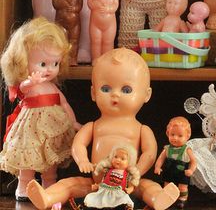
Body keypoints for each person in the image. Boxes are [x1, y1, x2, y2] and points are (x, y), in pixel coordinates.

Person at [26, 48, 180, 210]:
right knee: (69, 184)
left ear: (146, 95)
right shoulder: (94, 126)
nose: (115, 95)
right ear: (93, 93)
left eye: (126, 90)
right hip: (97, 184)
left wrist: (137, 171)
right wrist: (83, 160)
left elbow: (149, 153)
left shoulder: (141, 129)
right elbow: (78, 144)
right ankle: (47, 197)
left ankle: (158, 198)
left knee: (148, 187)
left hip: (128, 184)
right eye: (106, 89)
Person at [0, 17, 79, 200]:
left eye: (55, 64)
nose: (49, 70)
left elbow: (64, 103)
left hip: (53, 128)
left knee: (51, 157)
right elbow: (21, 89)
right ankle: (23, 186)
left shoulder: (53, 87)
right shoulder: (32, 85)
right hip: (30, 128)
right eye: (43, 64)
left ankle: (49, 186)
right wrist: (30, 81)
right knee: (28, 157)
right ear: (21, 62)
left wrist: (72, 121)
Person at [154, 117, 196, 208]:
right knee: (167, 186)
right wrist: (157, 167)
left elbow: (194, 161)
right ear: (167, 133)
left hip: (182, 171)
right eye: (172, 135)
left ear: (187, 136)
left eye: (180, 136)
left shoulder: (187, 150)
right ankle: (167, 200)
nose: (175, 138)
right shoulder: (167, 149)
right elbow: (161, 159)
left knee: (182, 187)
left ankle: (182, 199)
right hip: (169, 170)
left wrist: (191, 170)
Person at [83, 144, 140, 209]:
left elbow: (131, 184)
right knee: (94, 198)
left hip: (118, 193)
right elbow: (104, 181)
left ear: (129, 162)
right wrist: (97, 186)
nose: (118, 160)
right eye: (115, 157)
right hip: (105, 191)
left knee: (123, 199)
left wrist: (130, 188)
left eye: (122, 159)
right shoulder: (108, 170)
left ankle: (123, 207)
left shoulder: (127, 174)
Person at [87, 0, 119, 64]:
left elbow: (115, 6)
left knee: (108, 41)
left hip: (109, 25)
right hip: (95, 25)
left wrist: (109, 9)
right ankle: (96, 58)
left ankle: (107, 58)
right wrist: (95, 5)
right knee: (95, 41)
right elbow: (90, 4)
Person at [52, 0, 83, 66]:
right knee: (61, 41)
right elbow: (55, 4)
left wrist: (75, 9)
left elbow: (79, 6)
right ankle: (62, 60)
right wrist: (62, 4)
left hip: (75, 25)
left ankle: (73, 59)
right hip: (61, 24)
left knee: (74, 41)